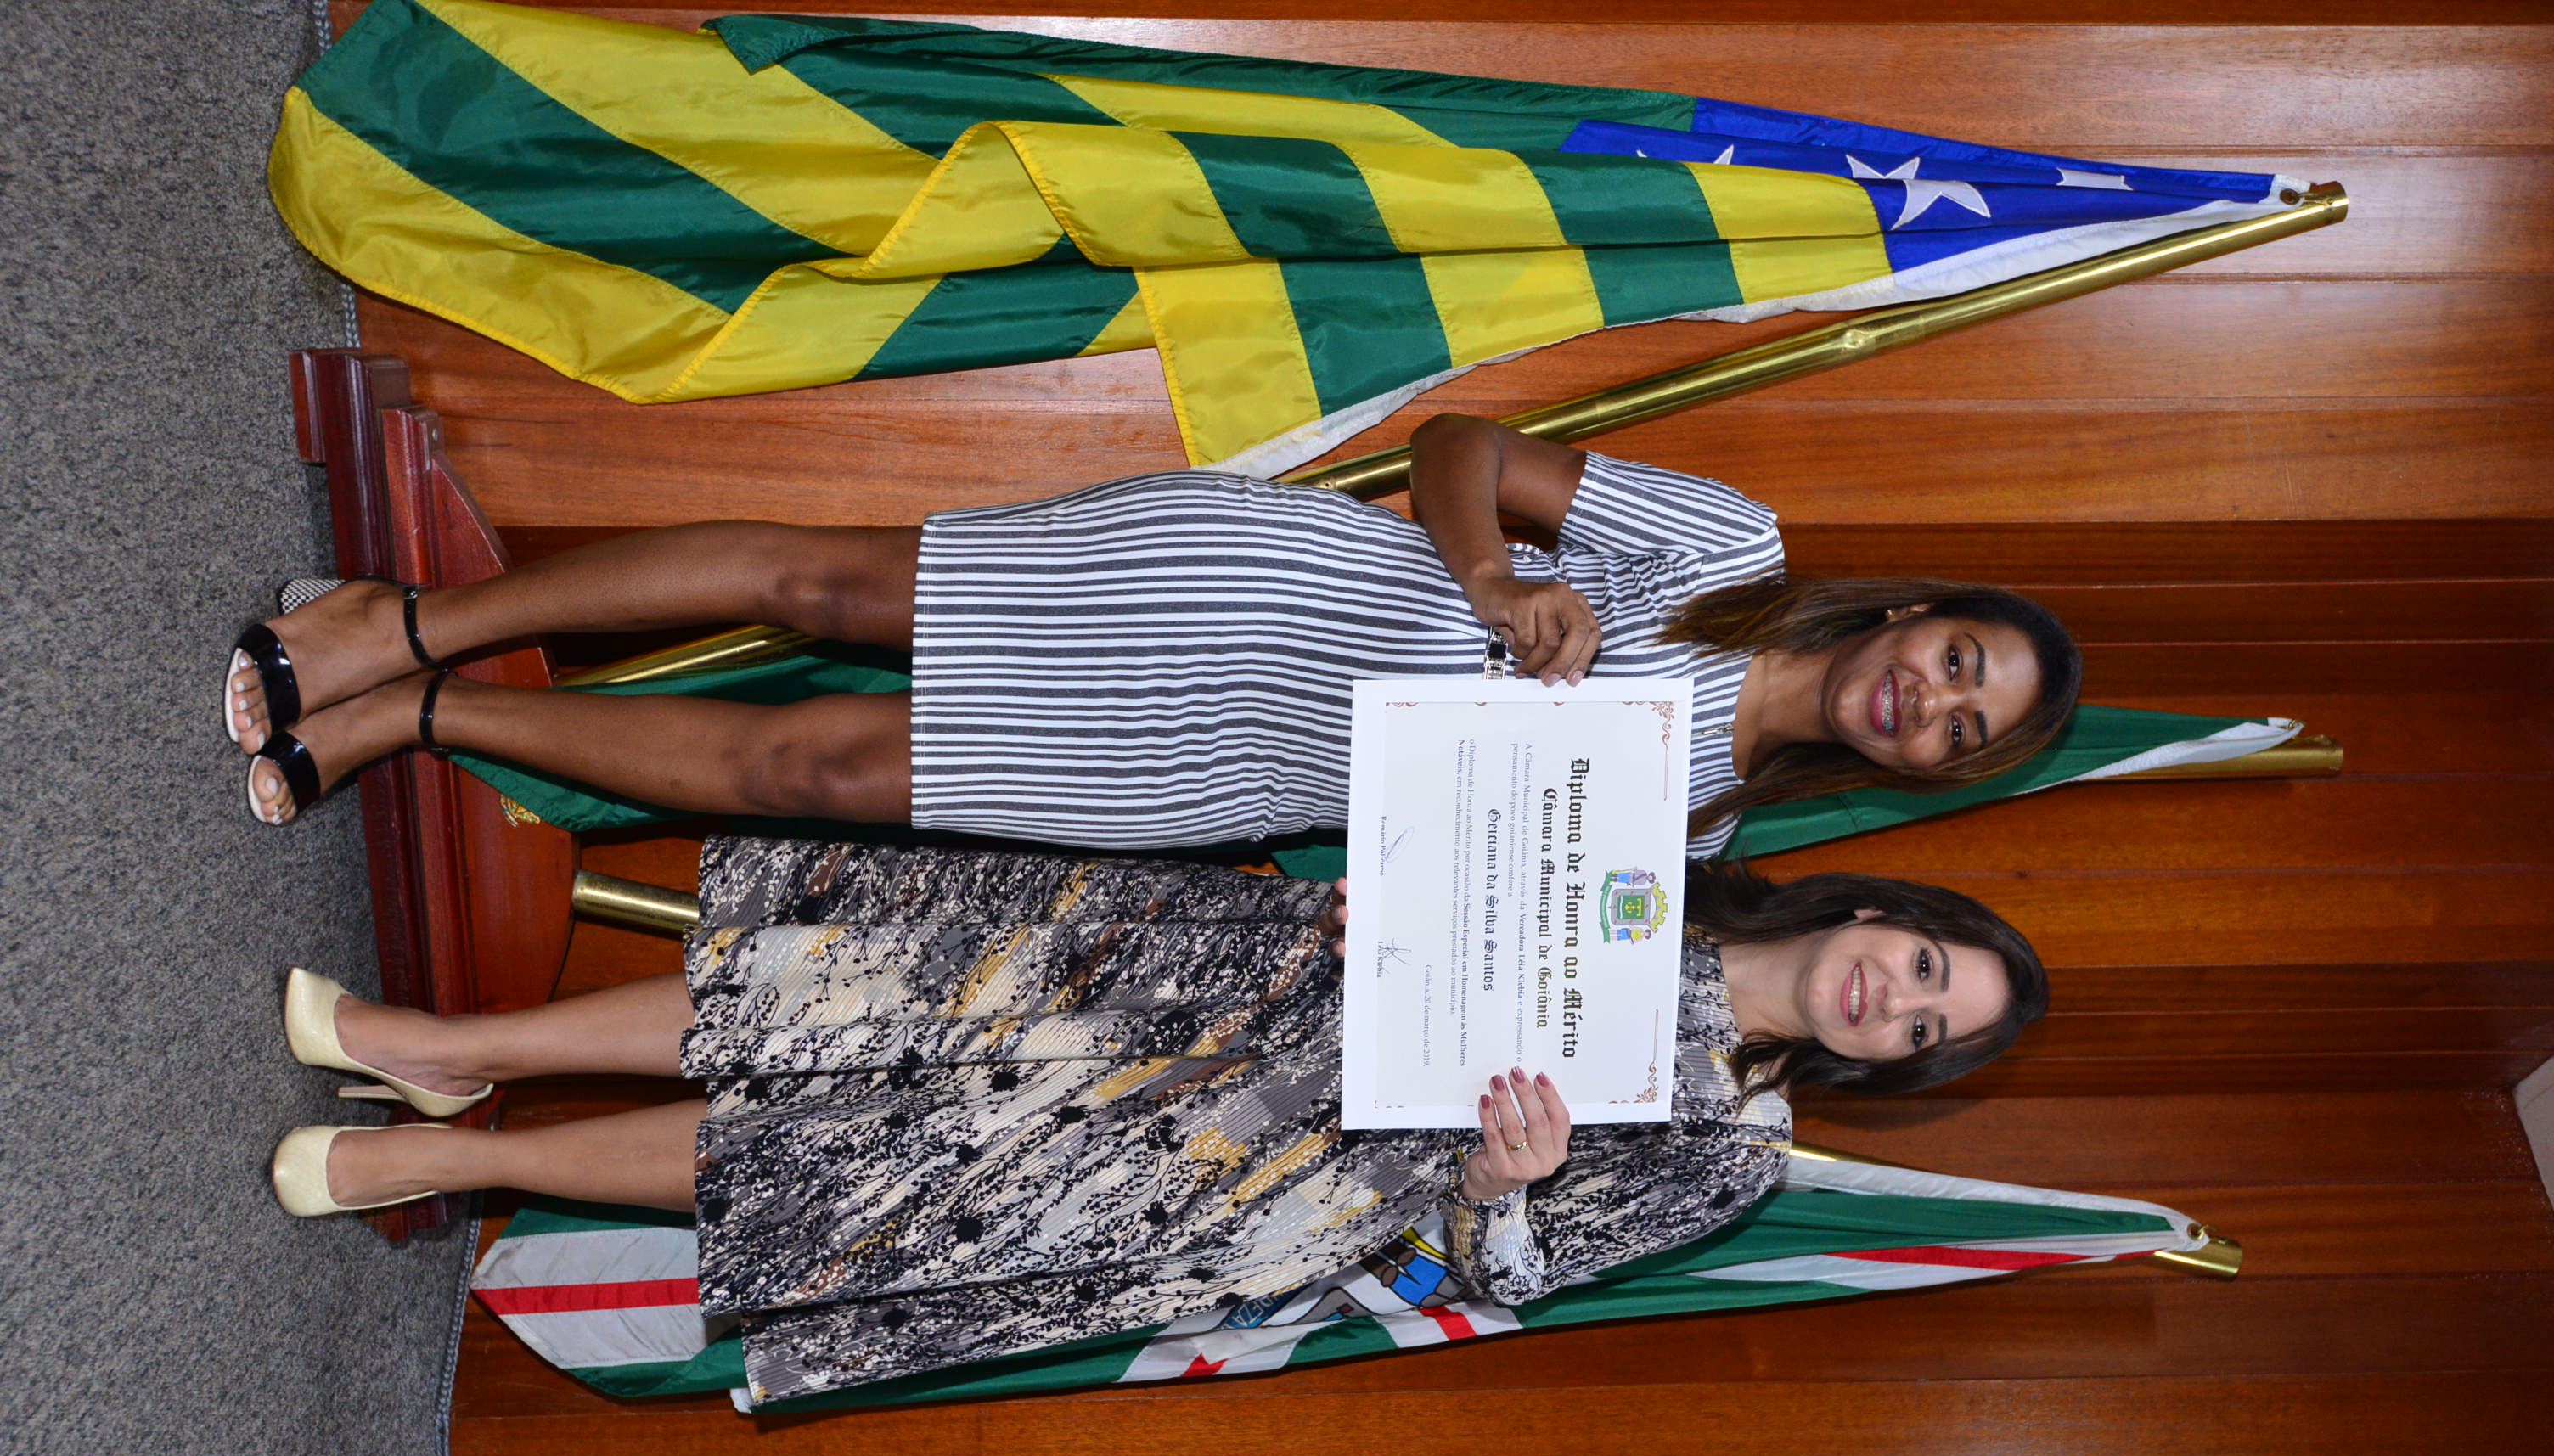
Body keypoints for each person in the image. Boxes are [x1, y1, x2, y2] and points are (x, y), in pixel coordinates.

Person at [268, 841, 2047, 1403]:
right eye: (1921, 964)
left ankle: (456, 1156)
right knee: (816, 997)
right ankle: (452, 1047)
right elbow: (1444, 824)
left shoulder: (1732, 1143)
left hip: (1248, 1171)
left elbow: (1508, 1273)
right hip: (1217, 968)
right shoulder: (1655, 854)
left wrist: (1505, 1182)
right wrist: (1385, 884)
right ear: (1883, 914)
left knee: (826, 1175)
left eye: (1925, 1028)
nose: (1891, 999)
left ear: (1896, 1062)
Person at [226, 414, 2082, 857]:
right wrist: (1491, 582)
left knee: (814, 768)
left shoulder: (1705, 833)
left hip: (1225, 770)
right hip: (1249, 587)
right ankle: (407, 619)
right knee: (826, 590)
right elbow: (1459, 451)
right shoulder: (1733, 548)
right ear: (1918, 614)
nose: (1926, 702)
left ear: (1935, 767)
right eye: (1957, 663)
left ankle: (424, 718)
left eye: (1961, 729)